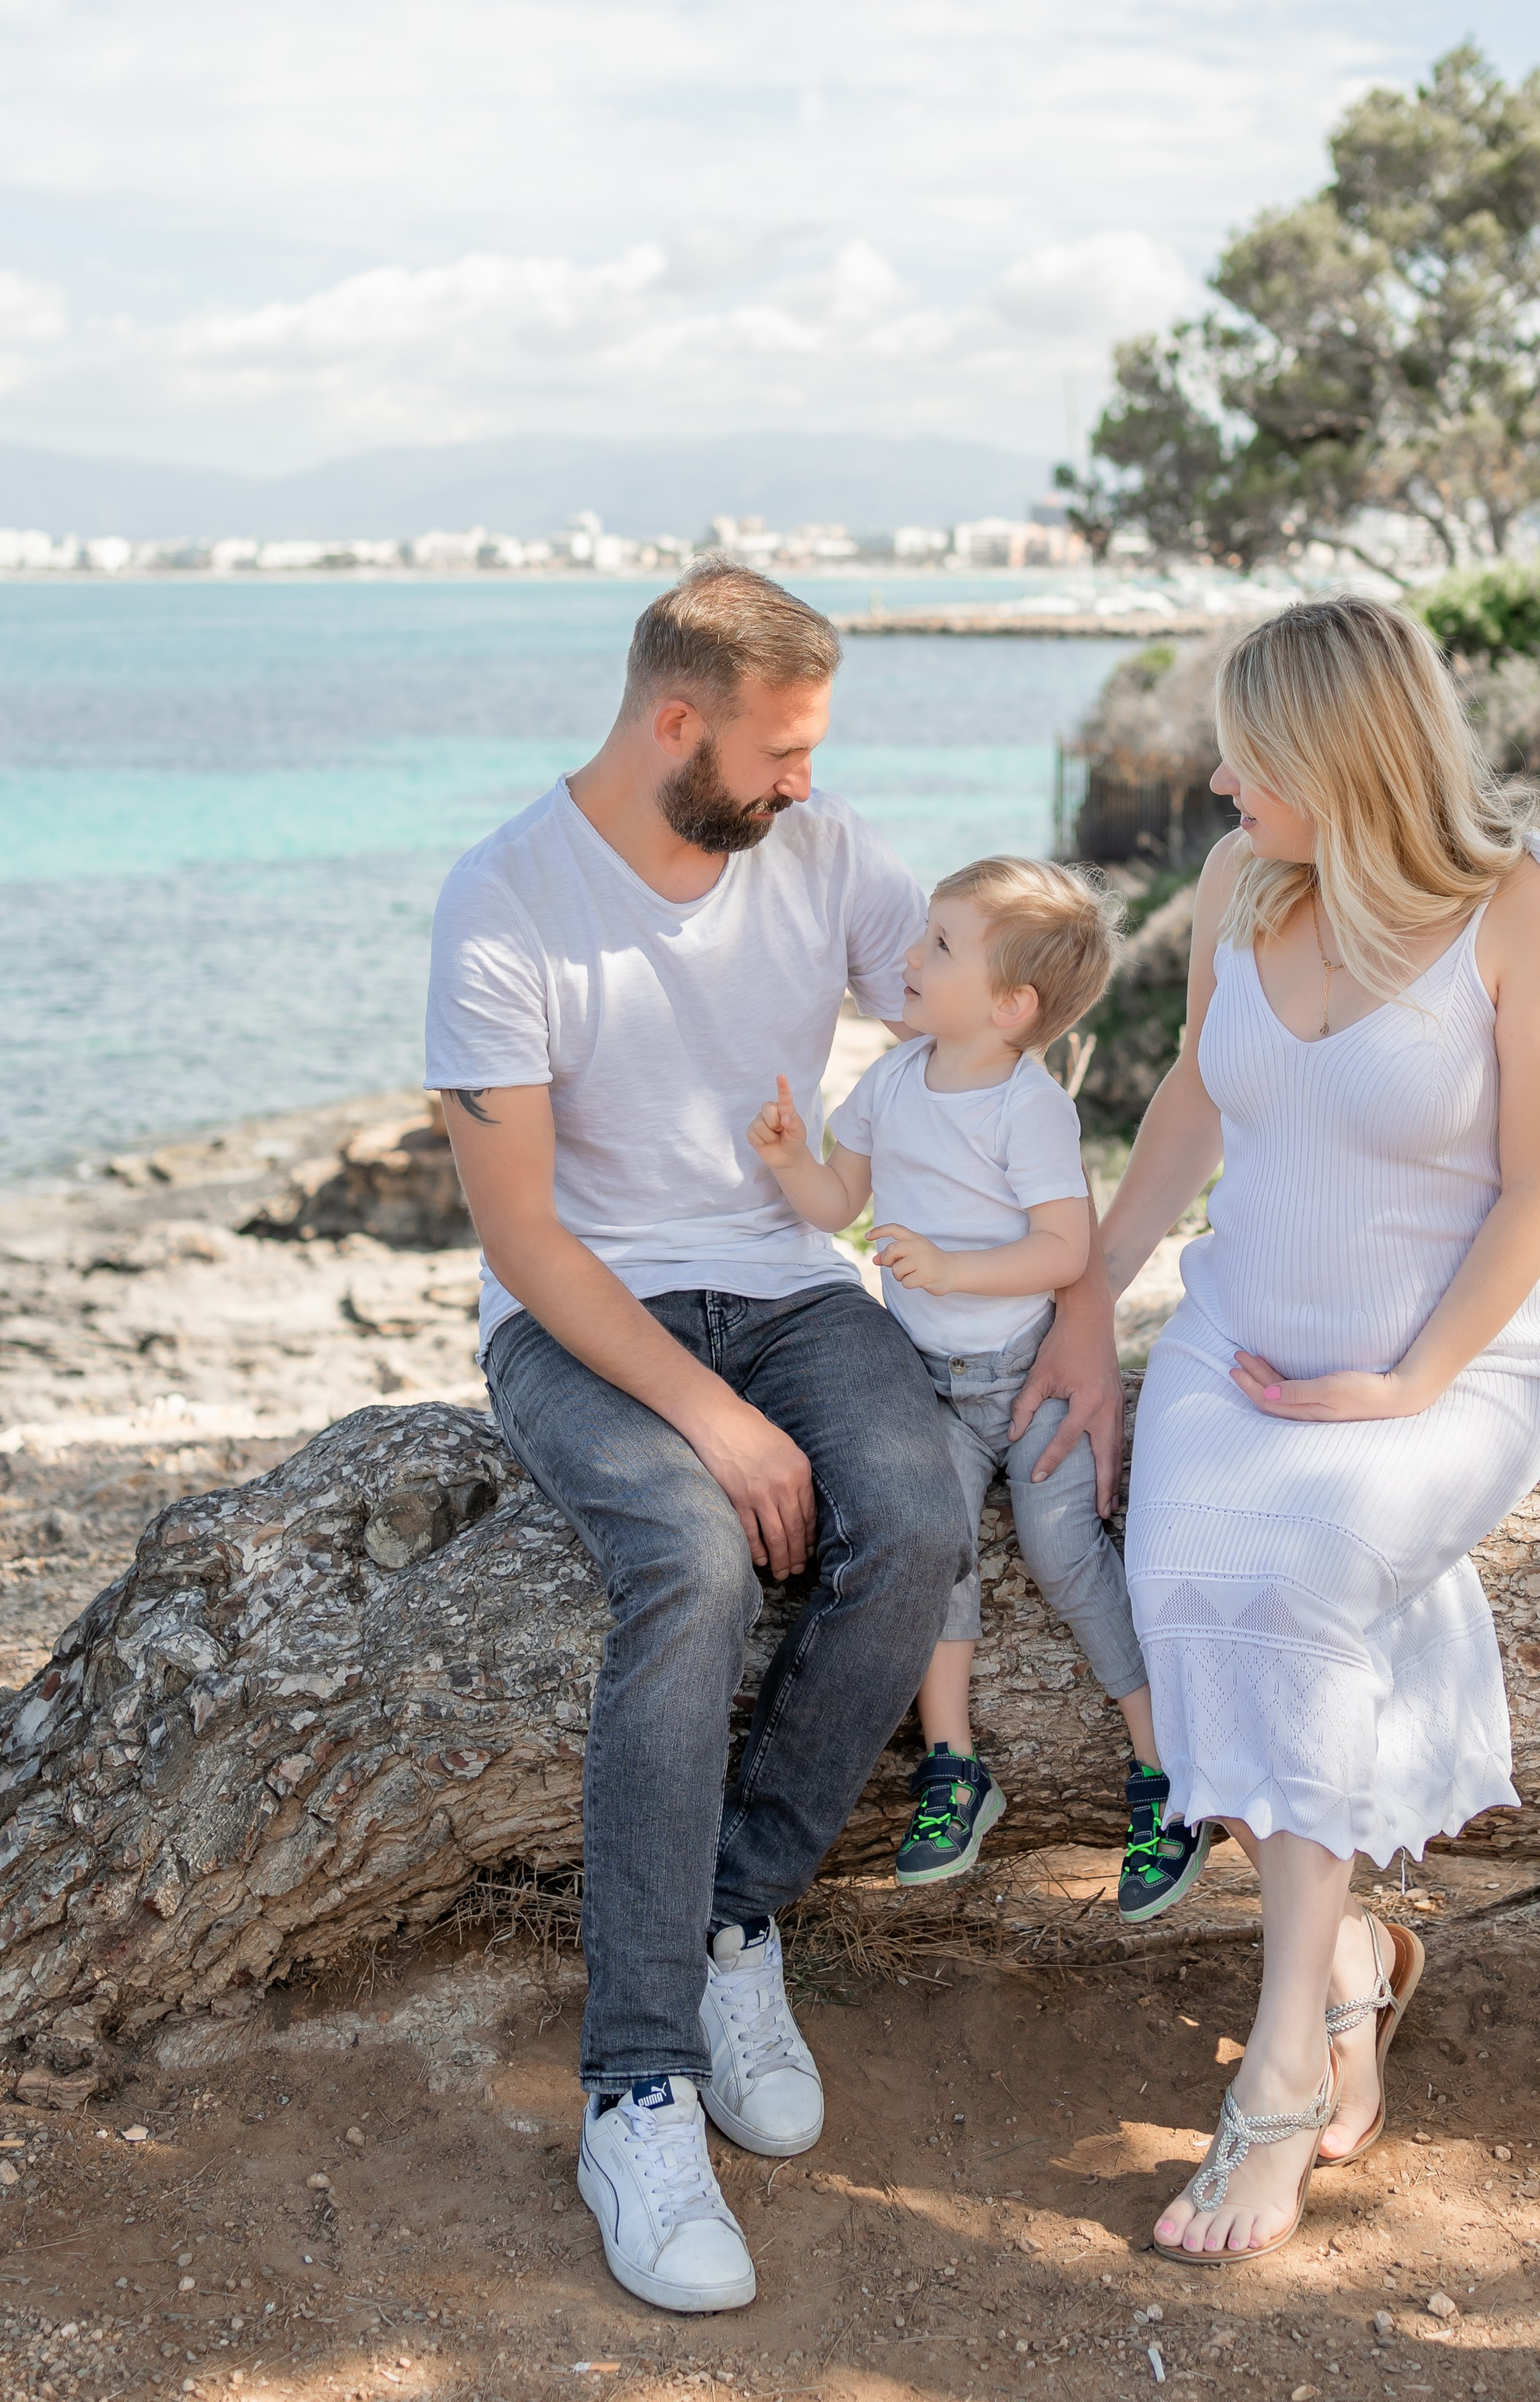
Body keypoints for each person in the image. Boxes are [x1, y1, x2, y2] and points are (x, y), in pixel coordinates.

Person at [427, 562, 990, 2317]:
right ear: (676, 724)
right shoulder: (504, 901)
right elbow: (523, 1239)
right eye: (780, 751)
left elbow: (975, 1006)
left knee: (907, 1512)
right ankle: (635, 2085)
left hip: (784, 1278)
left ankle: (737, 1912)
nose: (806, 785)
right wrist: (717, 1422)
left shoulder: (813, 854)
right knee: (685, 1556)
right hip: (580, 1317)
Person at [1094, 597, 1540, 2265]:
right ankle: (1352, 1962)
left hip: (1448, 1363)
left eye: (1250, 753)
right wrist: (1086, 1304)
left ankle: (1279, 2090)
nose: (1220, 780)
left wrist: (1406, 1386)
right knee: (1177, 1585)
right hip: (1241, 1344)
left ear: (1340, 755)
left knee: (1304, 1577)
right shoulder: (1245, 884)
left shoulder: (1520, 911)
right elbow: (1189, 1098)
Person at [749, 856, 1210, 1924]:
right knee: (936, 1550)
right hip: (924, 1381)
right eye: (923, 938)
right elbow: (837, 1200)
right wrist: (787, 1163)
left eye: (939, 948)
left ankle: (1163, 1774)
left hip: (1027, 1372)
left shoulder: (1028, 1111)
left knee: (1062, 1550)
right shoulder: (890, 1084)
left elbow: (1063, 1249)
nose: (908, 959)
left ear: (1012, 1007)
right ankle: (955, 1770)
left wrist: (954, 1271)